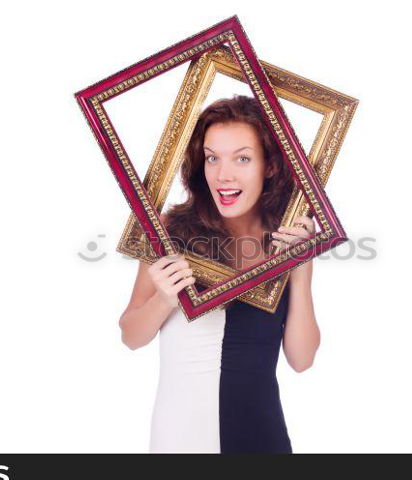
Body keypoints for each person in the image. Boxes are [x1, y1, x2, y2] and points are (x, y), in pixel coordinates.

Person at [119, 95, 321, 453]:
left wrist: (302, 269)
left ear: (269, 166)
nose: (223, 175)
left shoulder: (285, 239)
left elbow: (301, 360)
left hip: (262, 435)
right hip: (183, 437)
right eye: (212, 158)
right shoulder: (168, 230)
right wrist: (165, 299)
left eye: (242, 158)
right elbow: (131, 335)